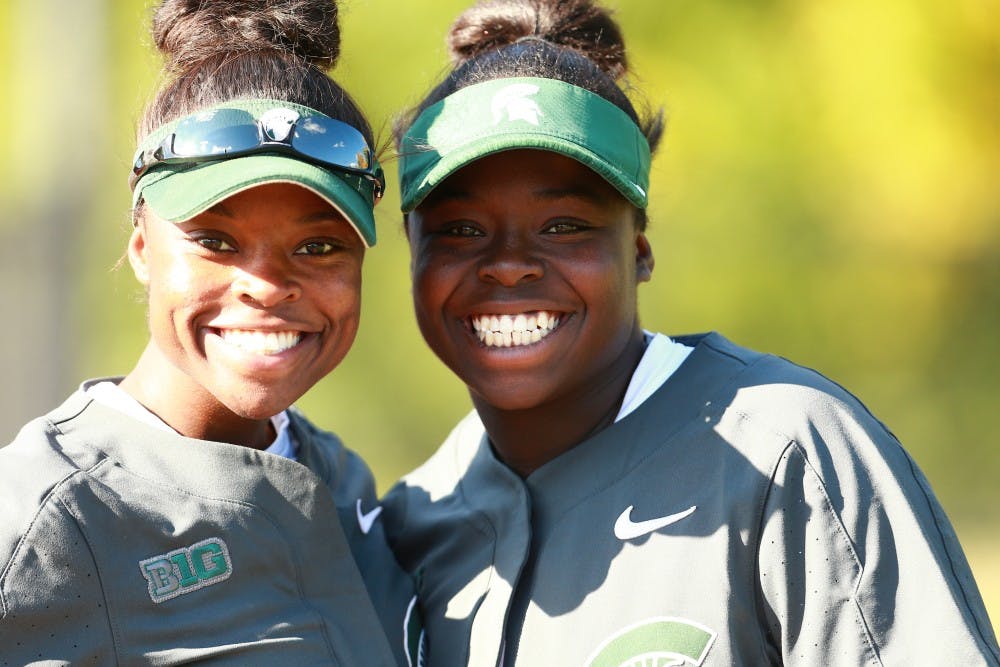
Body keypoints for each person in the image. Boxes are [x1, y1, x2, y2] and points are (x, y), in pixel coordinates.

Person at [380, 0, 1000, 664]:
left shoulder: (787, 451)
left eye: (563, 225)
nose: (507, 264)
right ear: (412, 253)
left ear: (639, 250)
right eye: (461, 231)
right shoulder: (410, 525)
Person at [0, 1, 421, 664]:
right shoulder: (47, 523)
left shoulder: (342, 481)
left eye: (317, 247)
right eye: (215, 240)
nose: (266, 283)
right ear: (142, 246)